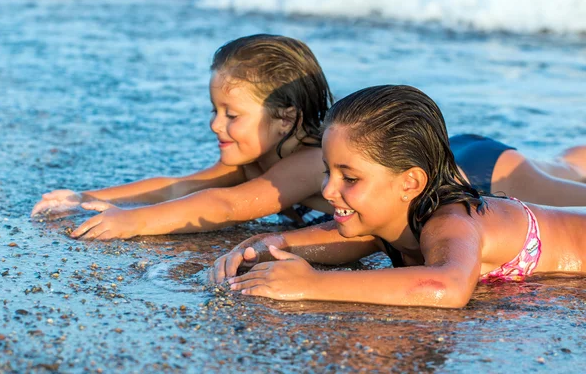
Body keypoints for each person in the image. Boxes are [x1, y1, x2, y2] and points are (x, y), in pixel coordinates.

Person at [31, 34, 586, 241]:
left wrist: (128, 225)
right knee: (565, 165)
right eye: (214, 111)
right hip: (438, 155)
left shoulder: (305, 162)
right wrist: (98, 199)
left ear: (288, 119)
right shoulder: (260, 153)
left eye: (231, 114)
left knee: (569, 195)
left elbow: (225, 204)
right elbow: (185, 185)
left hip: (477, 167)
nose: (215, 126)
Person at [213, 85, 586, 308]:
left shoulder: (450, 223)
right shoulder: (387, 220)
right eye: (328, 171)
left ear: (409, 183)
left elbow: (447, 287)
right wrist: (263, 248)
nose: (328, 190)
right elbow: (323, 241)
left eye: (350, 177)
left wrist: (311, 284)